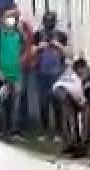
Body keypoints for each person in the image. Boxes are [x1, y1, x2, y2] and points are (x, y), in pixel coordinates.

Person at [29, 11, 67, 141]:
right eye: (47, 21)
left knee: (57, 102)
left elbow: (67, 52)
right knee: (43, 103)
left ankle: (59, 132)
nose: (49, 23)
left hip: (56, 72)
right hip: (41, 72)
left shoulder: (61, 35)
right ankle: (44, 131)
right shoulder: (38, 34)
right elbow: (32, 51)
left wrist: (58, 45)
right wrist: (40, 46)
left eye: (51, 21)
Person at [0, 6, 26, 137]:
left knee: (16, 103)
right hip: (1, 74)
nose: (12, 19)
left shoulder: (17, 34)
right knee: (0, 102)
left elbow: (23, 48)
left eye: (14, 17)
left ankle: (14, 130)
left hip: (16, 74)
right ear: (1, 19)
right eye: (9, 16)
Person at [52, 62, 86, 155]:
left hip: (56, 90)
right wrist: (81, 105)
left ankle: (69, 142)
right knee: (70, 117)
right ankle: (73, 143)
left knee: (66, 117)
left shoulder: (69, 72)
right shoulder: (77, 80)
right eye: (83, 69)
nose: (84, 71)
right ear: (79, 69)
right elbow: (79, 98)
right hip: (63, 93)